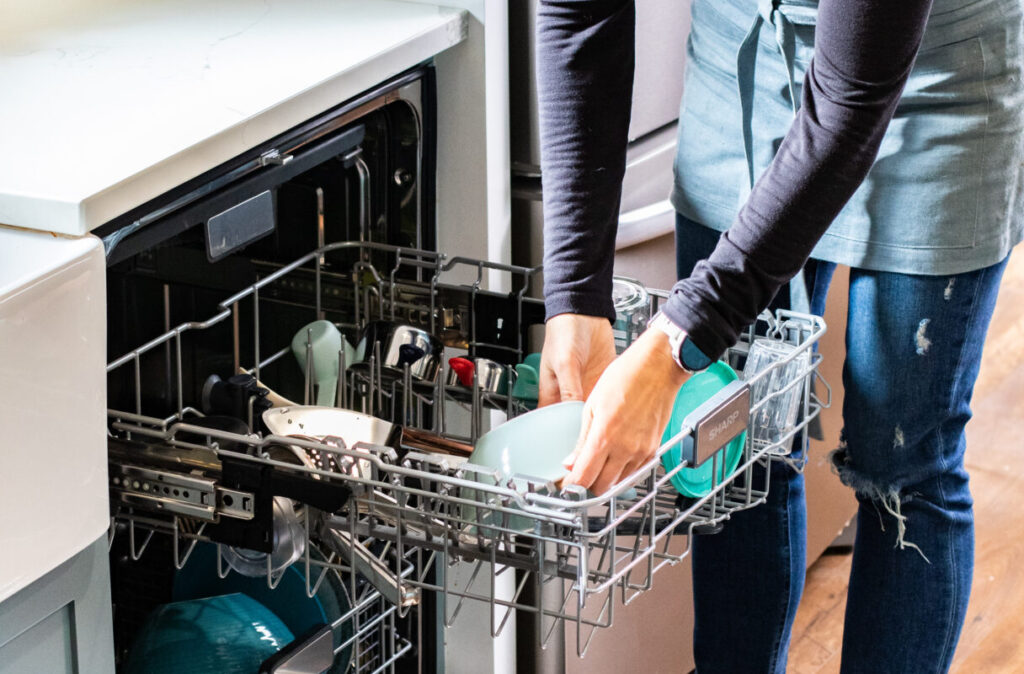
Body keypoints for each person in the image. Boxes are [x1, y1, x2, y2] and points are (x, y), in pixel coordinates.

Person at [534, 0, 1023, 672]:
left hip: (935, 73)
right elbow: (580, 15)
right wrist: (573, 294)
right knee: (730, 441)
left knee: (901, 462)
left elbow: (852, 97)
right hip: (746, 48)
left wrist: (672, 348)